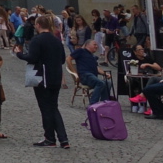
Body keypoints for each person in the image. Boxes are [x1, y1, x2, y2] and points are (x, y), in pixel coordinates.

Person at [27, 14, 70, 148]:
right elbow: (62, 59)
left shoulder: (37, 40)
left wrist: (19, 54)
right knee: (53, 107)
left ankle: (50, 138)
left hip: (42, 78)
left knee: (46, 108)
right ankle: (63, 139)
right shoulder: (56, 40)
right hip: (56, 77)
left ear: (38, 25)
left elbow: (32, 58)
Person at [69, 37, 112, 106]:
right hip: (85, 75)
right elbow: (68, 59)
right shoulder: (81, 51)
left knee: (108, 83)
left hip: (92, 77)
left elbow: (97, 68)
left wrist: (105, 74)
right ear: (87, 45)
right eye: (94, 44)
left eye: (96, 45)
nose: (96, 46)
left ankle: (104, 104)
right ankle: (93, 104)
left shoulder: (92, 56)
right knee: (100, 83)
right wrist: (74, 72)